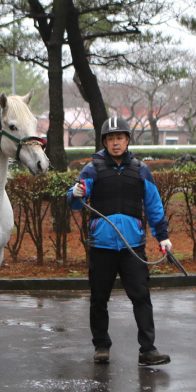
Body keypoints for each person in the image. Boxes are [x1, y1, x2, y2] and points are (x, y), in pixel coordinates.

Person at [67, 117, 172, 366]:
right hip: (101, 246)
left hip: (132, 247)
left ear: (127, 140)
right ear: (104, 141)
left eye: (120, 138)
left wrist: (163, 237)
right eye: (111, 139)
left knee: (141, 297)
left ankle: (148, 349)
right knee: (99, 298)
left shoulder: (140, 170)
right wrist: (75, 193)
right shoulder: (92, 169)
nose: (116, 143)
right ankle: (101, 346)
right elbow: (73, 202)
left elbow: (154, 207)